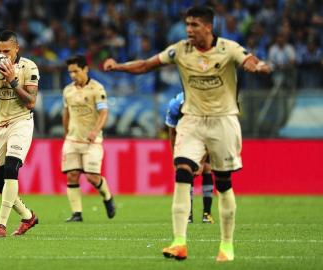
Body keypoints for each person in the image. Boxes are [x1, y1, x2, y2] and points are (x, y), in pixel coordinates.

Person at [104, 6, 271, 261]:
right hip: (191, 120)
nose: (189, 30)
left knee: (223, 184)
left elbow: (249, 59)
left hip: (223, 120)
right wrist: (118, 67)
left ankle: (226, 246)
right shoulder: (180, 49)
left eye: (194, 25)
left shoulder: (229, 48)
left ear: (208, 27)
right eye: (187, 25)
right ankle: (179, 242)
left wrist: (258, 67)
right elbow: (147, 65)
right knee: (182, 171)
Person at [0, 30, 40, 237]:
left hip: (20, 123)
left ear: (16, 49)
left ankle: (0, 224)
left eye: (6, 51)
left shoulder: (28, 67)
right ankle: (28, 216)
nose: (2, 55)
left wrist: (13, 81)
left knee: (11, 167)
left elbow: (31, 103)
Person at [62, 55, 115, 222]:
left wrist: (95, 130)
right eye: (70, 72)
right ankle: (77, 213)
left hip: (92, 141)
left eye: (75, 71)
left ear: (85, 69)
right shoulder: (68, 90)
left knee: (92, 177)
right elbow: (66, 113)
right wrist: (66, 132)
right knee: (72, 175)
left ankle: (107, 196)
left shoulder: (97, 89)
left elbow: (104, 112)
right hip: (72, 140)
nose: (72, 75)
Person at [165, 92, 214, 224]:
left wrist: (202, 162)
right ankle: (189, 214)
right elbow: (172, 133)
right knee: (186, 170)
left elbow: (210, 134)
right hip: (187, 136)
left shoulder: (206, 102)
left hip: (206, 135)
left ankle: (207, 214)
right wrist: (175, 157)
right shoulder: (175, 105)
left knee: (207, 169)